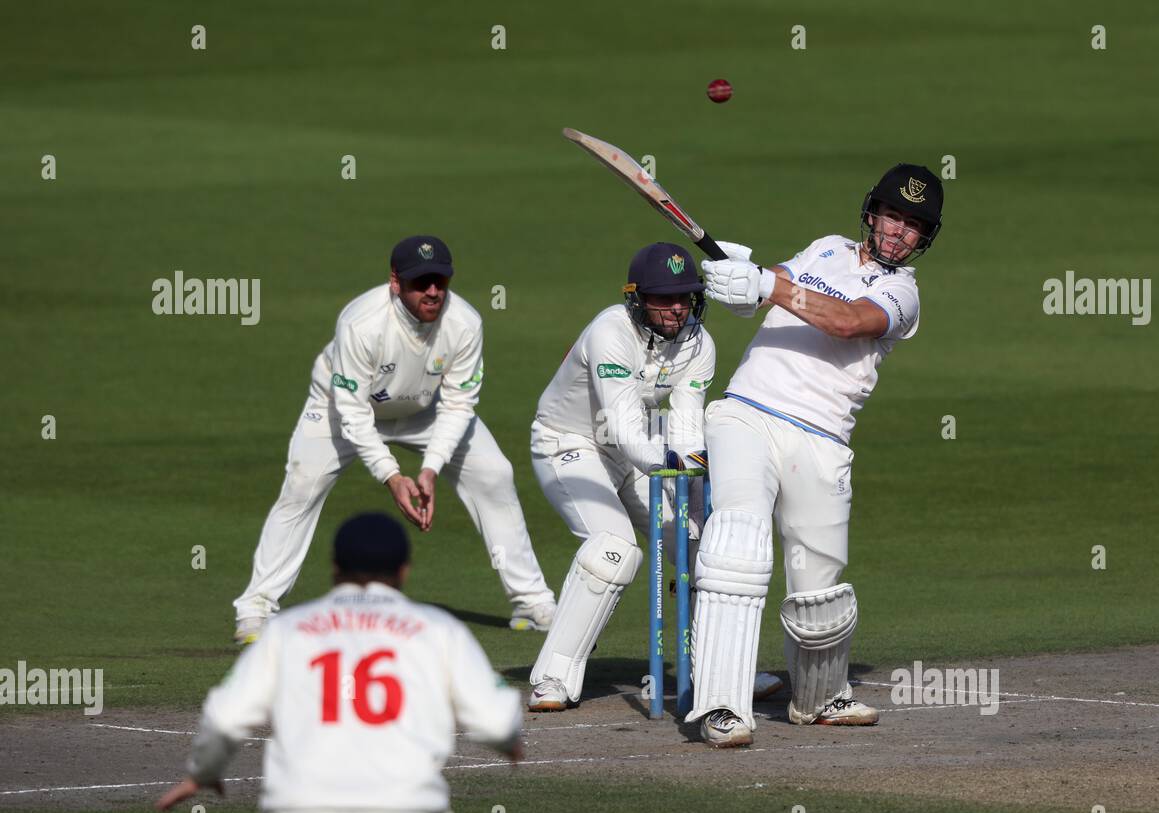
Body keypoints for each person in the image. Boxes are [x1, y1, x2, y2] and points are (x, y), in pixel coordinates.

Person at [686, 164, 945, 747]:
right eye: (892, 217)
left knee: (818, 591)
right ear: (872, 213)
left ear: (923, 238)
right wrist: (740, 276)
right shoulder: (827, 249)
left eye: (912, 226)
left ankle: (819, 697)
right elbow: (767, 286)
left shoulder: (902, 293)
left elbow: (849, 322)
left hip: (823, 439)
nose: (898, 233)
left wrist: (766, 286)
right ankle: (721, 706)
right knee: (736, 548)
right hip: (746, 414)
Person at [232, 236, 555, 644]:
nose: (433, 291)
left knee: (494, 472)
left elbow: (459, 403)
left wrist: (431, 468)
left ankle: (531, 601)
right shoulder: (361, 323)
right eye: (421, 283)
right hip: (341, 407)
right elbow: (352, 412)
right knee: (301, 484)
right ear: (395, 282)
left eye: (440, 280)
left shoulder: (465, 323)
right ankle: (256, 607)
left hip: (425, 409)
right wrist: (392, 476)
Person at [158, 512, 522, 813]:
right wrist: (508, 743)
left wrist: (203, 772)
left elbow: (226, 716)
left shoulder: (286, 630)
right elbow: (496, 720)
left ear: (334, 568)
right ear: (404, 570)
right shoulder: (440, 629)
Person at [526, 242, 779, 713]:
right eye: (664, 298)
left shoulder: (699, 344)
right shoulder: (609, 332)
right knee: (614, 550)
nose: (676, 308)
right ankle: (553, 678)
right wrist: (673, 462)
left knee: (697, 539)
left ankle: (717, 671)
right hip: (569, 444)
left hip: (639, 449)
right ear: (637, 298)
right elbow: (622, 428)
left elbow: (684, 430)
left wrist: (697, 483)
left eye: (684, 297)